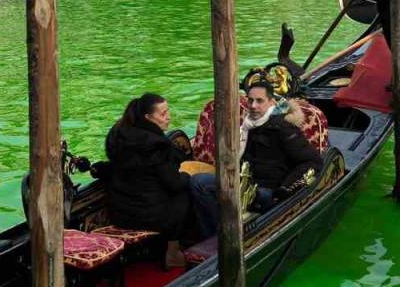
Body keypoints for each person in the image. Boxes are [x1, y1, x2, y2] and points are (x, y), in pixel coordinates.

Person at [190, 81, 322, 239]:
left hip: (268, 189)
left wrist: (285, 189)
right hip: (243, 182)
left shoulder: (283, 128)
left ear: (271, 102)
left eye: (259, 101)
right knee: (198, 182)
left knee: (262, 195)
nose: (253, 105)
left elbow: (312, 161)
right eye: (250, 100)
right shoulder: (247, 126)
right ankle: (213, 235)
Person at [103, 93, 191, 267]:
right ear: (148, 118)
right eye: (163, 113)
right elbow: (174, 183)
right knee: (184, 196)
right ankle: (172, 253)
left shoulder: (119, 136)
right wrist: (188, 175)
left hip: (119, 212)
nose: (169, 117)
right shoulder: (156, 145)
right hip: (147, 216)